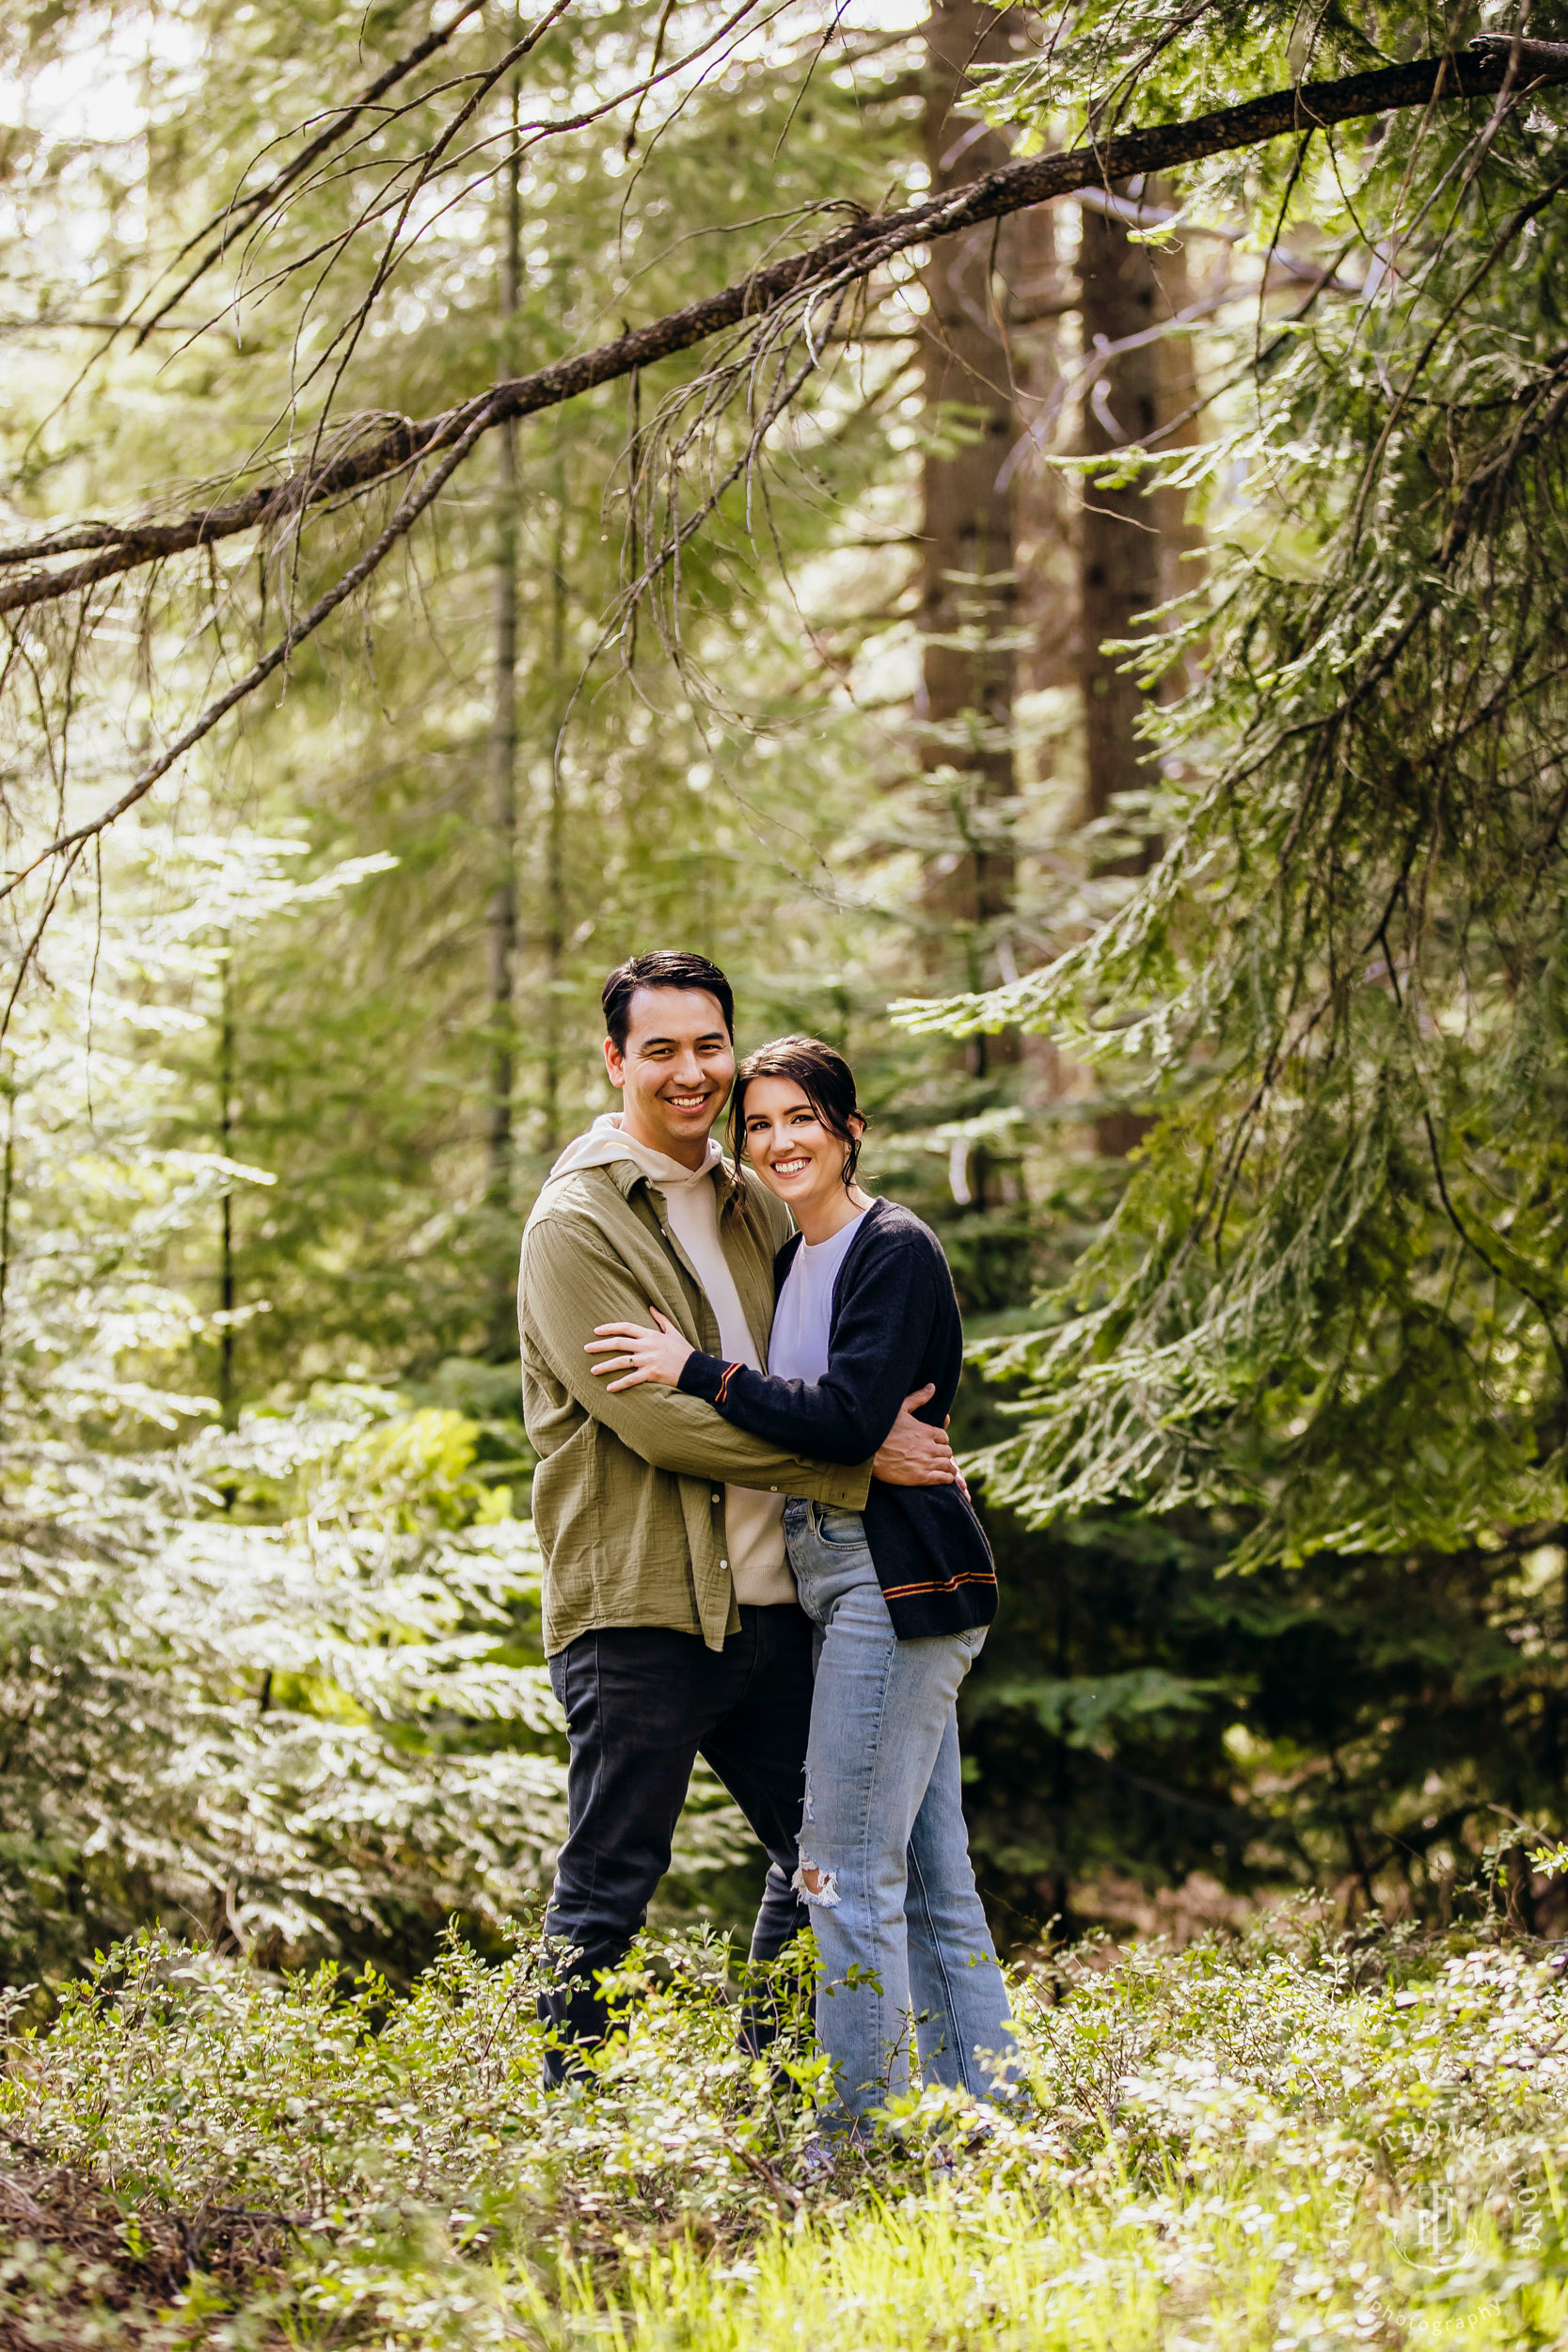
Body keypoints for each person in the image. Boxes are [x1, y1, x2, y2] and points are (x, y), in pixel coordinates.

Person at [517, 954, 961, 2080]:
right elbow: (659, 1424)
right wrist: (858, 1470)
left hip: (780, 1604)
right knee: (607, 1889)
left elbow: (813, 1370)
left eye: (707, 1045)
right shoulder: (576, 1222)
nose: (688, 1072)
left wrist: (865, 1426)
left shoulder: (751, 1197)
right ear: (615, 1059)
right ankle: (562, 2139)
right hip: (642, 1607)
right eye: (658, 1049)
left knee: (821, 1857)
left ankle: (772, 2095)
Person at [586, 1033, 1015, 2128]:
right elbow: (836, 1431)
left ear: (848, 1131)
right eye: (760, 1124)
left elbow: (845, 1420)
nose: (778, 1141)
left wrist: (697, 1369)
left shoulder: (891, 1246)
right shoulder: (790, 1257)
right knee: (925, 1878)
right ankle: (988, 2117)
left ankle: (859, 2138)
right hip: (840, 1578)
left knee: (836, 1872)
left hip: (898, 1577)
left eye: (801, 1120)